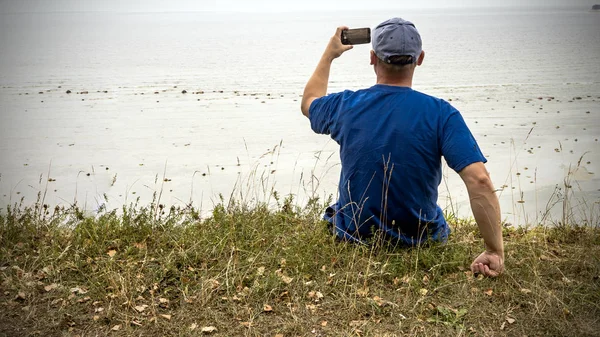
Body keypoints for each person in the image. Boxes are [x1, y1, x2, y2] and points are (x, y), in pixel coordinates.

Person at [300, 18, 504, 277]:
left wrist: (329, 55)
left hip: (354, 235)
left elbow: (309, 102)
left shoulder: (345, 106)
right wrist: (494, 251)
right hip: (421, 240)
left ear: (373, 57)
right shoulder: (441, 113)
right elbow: (479, 180)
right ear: (419, 58)